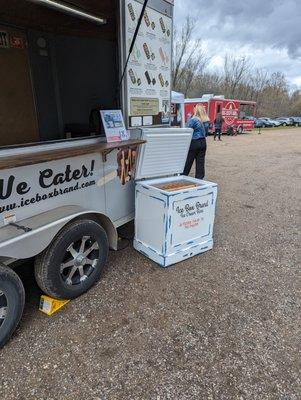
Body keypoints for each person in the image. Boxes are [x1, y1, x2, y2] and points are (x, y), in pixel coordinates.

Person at [183, 104, 207, 180]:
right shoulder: (205, 120)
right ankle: (200, 179)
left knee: (188, 161)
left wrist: (189, 118)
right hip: (203, 142)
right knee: (200, 162)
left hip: (194, 142)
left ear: (196, 110)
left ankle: (183, 175)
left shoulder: (193, 120)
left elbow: (187, 130)